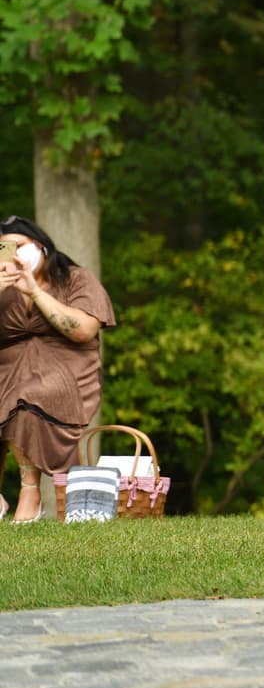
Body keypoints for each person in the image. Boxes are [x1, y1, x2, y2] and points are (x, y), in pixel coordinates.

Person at [0, 215, 116, 523]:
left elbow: (84, 330)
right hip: (7, 367)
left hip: (65, 369)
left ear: (39, 246)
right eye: (2, 248)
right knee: (14, 391)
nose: (11, 254)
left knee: (25, 397)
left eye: (18, 246)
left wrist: (35, 293)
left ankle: (30, 492)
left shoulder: (74, 278)